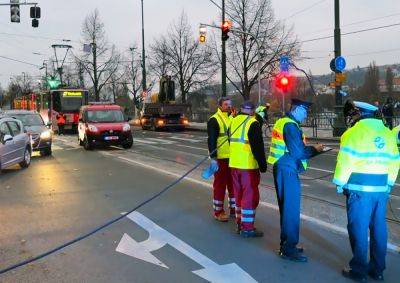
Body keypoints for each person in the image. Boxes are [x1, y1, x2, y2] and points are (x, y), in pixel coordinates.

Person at [333, 101, 399, 282]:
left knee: (358, 228)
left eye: (352, 114)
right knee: (379, 228)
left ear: (359, 114)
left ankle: (358, 270)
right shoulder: (387, 133)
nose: (350, 118)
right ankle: (377, 270)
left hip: (359, 190)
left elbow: (345, 162)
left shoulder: (352, 133)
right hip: (380, 190)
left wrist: (339, 183)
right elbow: (395, 161)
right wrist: (388, 184)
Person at [267, 98, 323, 262]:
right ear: (297, 109)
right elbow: (298, 152)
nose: (306, 115)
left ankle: (287, 244)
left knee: (287, 208)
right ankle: (289, 249)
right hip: (287, 169)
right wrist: (316, 149)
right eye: (304, 111)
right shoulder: (290, 126)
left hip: (283, 167)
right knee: (290, 209)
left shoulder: (284, 122)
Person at [229, 101, 267, 238]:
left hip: (234, 164)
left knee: (238, 194)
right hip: (248, 166)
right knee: (250, 197)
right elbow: (258, 148)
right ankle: (248, 228)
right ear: (252, 111)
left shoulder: (233, 120)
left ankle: (240, 222)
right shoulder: (253, 123)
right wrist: (263, 165)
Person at [207, 98, 235, 222]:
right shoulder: (214, 120)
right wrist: (213, 158)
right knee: (220, 185)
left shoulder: (231, 118)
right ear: (219, 105)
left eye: (230, 104)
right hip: (221, 158)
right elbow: (211, 140)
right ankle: (218, 211)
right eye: (225, 104)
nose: (228, 106)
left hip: (233, 157)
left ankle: (234, 209)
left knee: (233, 184)